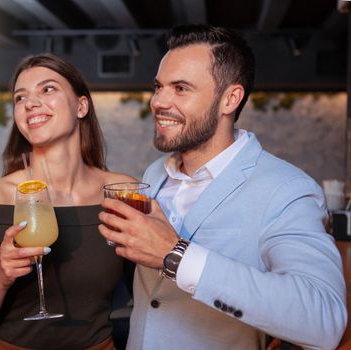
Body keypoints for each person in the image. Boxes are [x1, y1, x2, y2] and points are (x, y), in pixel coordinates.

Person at [98, 24, 347, 350]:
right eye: (158, 87)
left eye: (181, 88)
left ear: (230, 98)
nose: (159, 101)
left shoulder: (288, 189)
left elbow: (323, 321)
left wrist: (175, 256)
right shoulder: (155, 172)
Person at [0, 53, 136, 350]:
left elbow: (148, 296)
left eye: (47, 89)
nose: (30, 103)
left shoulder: (122, 192)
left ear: (81, 105)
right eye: (20, 98)